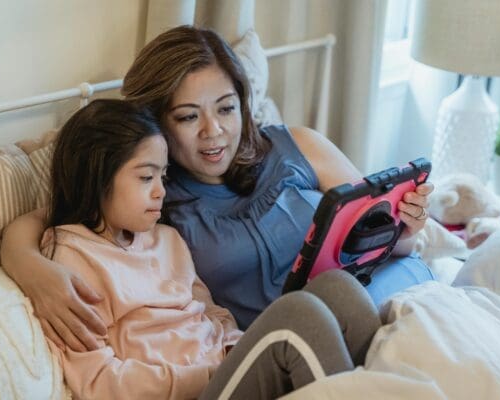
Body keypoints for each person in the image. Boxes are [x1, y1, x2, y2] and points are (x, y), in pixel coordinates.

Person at [1, 25, 433, 352]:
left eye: (226, 109)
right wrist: (29, 266)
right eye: (189, 117)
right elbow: (48, 217)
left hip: (388, 293)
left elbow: (380, 236)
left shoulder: (297, 144)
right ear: (157, 122)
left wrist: (406, 231)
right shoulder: (151, 198)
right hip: (297, 342)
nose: (215, 132)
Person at [41, 98, 381, 399]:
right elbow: (99, 383)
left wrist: (239, 352)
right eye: (146, 178)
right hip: (193, 390)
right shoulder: (73, 258)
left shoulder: (167, 240)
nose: (161, 191)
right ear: (96, 178)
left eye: (163, 177)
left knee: (338, 288)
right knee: (298, 315)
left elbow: (213, 315)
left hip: (225, 373)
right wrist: (209, 374)